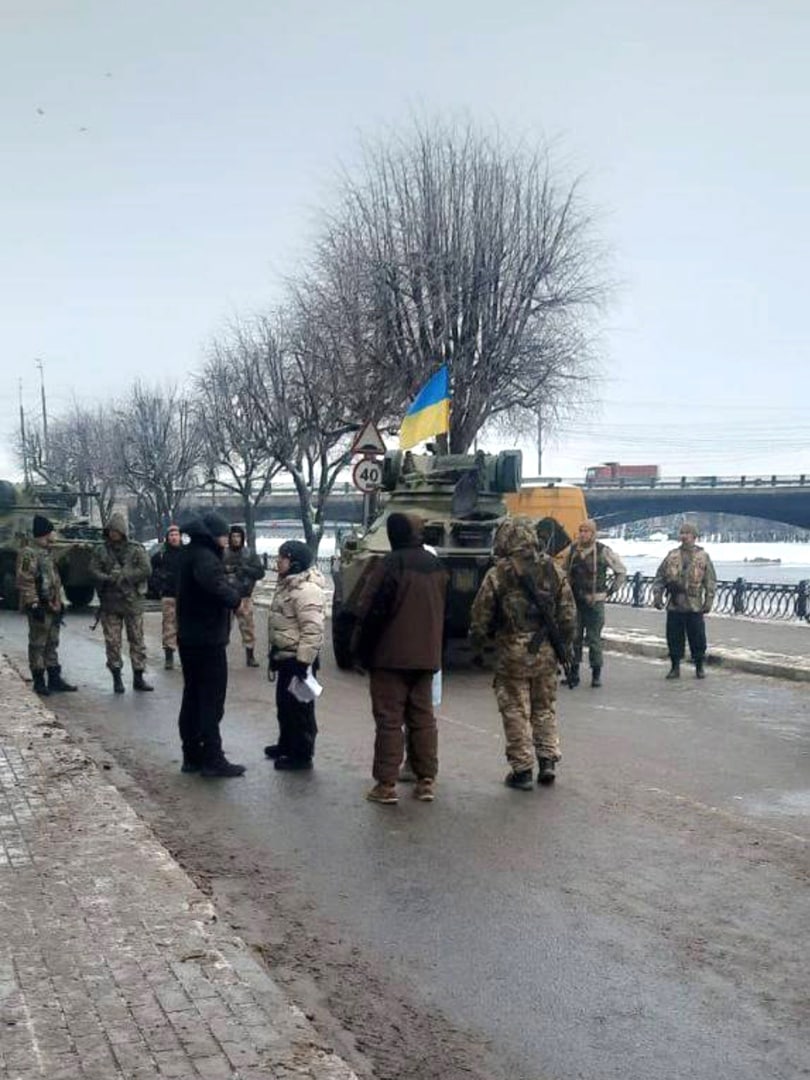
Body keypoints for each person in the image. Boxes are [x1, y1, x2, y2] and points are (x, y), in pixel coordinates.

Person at [469, 517, 575, 791]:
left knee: (515, 709)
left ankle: (523, 769)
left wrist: (479, 645)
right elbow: (567, 615)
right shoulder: (554, 570)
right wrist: (564, 645)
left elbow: (481, 615)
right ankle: (548, 761)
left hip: (511, 653)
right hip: (547, 652)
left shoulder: (499, 573)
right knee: (544, 708)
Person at [354, 513, 448, 805]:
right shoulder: (436, 565)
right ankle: (426, 780)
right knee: (423, 720)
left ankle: (386, 783)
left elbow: (372, 610)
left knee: (389, 721)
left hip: (390, 657)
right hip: (426, 656)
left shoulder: (391, 564)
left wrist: (361, 651)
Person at [176, 510, 246, 777]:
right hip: (207, 639)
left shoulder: (189, 553)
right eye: (224, 535)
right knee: (211, 699)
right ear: (214, 535)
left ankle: (191, 754)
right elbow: (217, 587)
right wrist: (236, 597)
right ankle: (212, 758)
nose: (227, 541)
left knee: (192, 695)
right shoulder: (205, 558)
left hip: (190, 636)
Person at [265, 540, 326, 771]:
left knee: (300, 709)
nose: (278, 561)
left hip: (298, 659)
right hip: (286, 656)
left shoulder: (306, 590)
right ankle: (286, 744)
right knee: (284, 705)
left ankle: (301, 754)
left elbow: (313, 629)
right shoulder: (288, 585)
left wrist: (304, 661)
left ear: (295, 562)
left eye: (283, 557)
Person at [89, 511, 153, 693]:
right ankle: (117, 678)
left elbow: (146, 569)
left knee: (137, 640)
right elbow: (93, 569)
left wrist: (126, 577)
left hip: (132, 602)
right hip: (110, 603)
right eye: (110, 531)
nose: (113, 534)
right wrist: (107, 578)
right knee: (112, 642)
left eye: (116, 531)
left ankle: (139, 677)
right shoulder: (101, 550)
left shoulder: (136, 549)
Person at [558, 519, 627, 688]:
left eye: (586, 531)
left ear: (593, 533)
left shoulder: (602, 551)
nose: (583, 534)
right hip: (575, 601)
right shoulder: (573, 550)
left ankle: (596, 674)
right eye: (581, 530)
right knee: (574, 638)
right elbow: (562, 571)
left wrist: (611, 590)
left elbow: (621, 571)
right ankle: (573, 673)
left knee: (594, 639)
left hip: (594, 603)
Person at [15, 514, 77, 696]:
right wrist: (33, 604)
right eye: (52, 531)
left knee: (52, 643)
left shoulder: (47, 552)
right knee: (38, 644)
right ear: (45, 533)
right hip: (40, 606)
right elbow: (25, 580)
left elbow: (54, 580)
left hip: (52, 605)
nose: (55, 535)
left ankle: (54, 678)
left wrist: (61, 602)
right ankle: (39, 680)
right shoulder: (29, 553)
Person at [652, 522, 717, 679]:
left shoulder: (703, 557)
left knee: (697, 638)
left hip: (694, 606)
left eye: (687, 533)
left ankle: (699, 666)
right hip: (675, 604)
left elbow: (710, 580)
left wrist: (709, 600)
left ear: (694, 536)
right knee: (674, 638)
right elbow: (660, 577)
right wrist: (658, 595)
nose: (684, 536)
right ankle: (675, 666)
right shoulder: (672, 555)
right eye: (682, 533)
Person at [223, 525, 266, 667]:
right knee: (223, 629)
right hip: (226, 596)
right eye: (233, 536)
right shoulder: (223, 553)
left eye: (238, 536)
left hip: (244, 596)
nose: (236, 539)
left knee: (248, 628)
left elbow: (260, 572)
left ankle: (250, 656)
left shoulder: (249, 554)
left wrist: (246, 569)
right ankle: (219, 656)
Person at [150, 524, 183, 670]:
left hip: (185, 596)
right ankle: (169, 656)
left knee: (185, 627)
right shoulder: (161, 555)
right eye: (171, 535)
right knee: (169, 626)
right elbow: (151, 573)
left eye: (176, 535)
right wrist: (159, 587)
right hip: (168, 595)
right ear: (167, 538)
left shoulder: (187, 554)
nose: (174, 538)